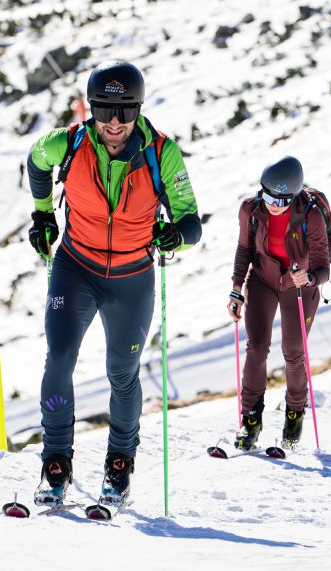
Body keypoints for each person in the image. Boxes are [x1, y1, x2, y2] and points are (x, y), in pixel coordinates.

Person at [26, 59, 201, 507]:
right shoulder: (67, 144)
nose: (116, 122)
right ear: (91, 109)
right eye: (105, 110)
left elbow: (190, 221)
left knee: (122, 374)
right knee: (59, 359)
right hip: (76, 268)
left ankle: (119, 464)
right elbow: (35, 160)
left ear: (139, 109)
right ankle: (55, 464)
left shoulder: (162, 154)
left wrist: (175, 235)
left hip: (132, 278)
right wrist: (44, 212)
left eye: (126, 111)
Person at [227, 156, 330, 450]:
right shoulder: (251, 209)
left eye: (283, 200)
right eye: (269, 195)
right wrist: (236, 289)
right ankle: (250, 421)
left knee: (294, 353)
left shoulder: (311, 216)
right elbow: (244, 249)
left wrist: (309, 278)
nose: (275, 204)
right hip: (262, 281)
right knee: (256, 347)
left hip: (298, 288)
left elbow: (324, 268)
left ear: (294, 196)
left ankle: (293, 421)